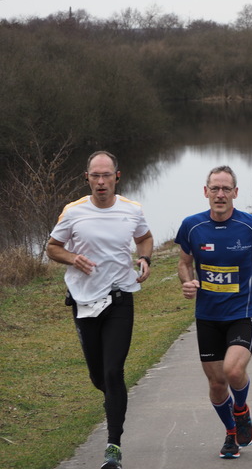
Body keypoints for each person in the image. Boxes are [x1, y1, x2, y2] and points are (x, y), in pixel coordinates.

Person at [46, 150, 153, 469]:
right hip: (84, 300)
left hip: (120, 298)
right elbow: (52, 248)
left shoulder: (131, 210)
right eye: (96, 176)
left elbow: (145, 238)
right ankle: (115, 401)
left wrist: (145, 258)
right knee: (98, 376)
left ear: (117, 177)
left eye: (107, 175)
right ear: (87, 179)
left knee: (113, 370)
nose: (102, 181)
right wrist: (72, 258)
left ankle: (113, 446)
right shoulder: (74, 212)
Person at [175, 165, 252, 459]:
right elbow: (184, 262)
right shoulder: (192, 226)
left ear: (236, 193)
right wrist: (188, 282)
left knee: (233, 370)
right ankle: (230, 433)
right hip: (208, 315)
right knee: (216, 384)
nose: (220, 194)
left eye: (226, 189)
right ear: (206, 192)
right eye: (215, 189)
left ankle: (241, 409)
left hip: (243, 311)